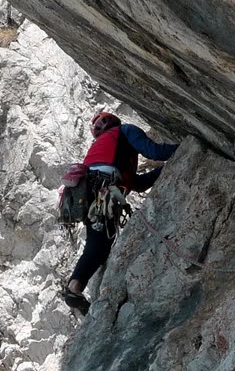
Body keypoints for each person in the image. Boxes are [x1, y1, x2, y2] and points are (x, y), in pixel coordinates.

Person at [61, 110, 177, 313]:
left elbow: (137, 184)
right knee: (99, 243)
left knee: (100, 245)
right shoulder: (125, 131)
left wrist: (164, 170)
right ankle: (74, 287)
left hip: (89, 195)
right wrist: (182, 148)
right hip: (105, 191)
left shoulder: (100, 149)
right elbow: (155, 152)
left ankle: (75, 287)